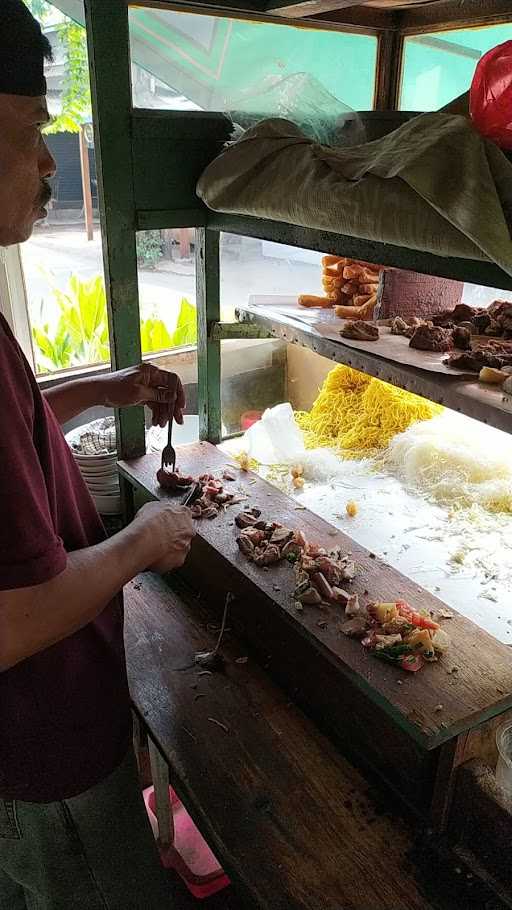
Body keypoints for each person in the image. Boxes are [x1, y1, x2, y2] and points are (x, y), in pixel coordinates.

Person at [0, 2, 195, 907]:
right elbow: (13, 622)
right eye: (30, 131)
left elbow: (16, 426)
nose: (48, 162)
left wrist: (103, 390)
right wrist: (147, 538)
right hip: (40, 746)